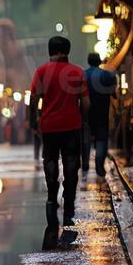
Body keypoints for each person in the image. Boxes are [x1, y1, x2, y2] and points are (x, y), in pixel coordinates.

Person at [28, 35, 90, 246]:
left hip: (50, 126)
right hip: (72, 126)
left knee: (51, 160)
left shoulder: (42, 72)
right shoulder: (77, 72)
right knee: (72, 163)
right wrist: (81, 119)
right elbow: (86, 103)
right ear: (68, 50)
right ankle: (69, 205)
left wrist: (33, 122)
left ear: (50, 50)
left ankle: (52, 196)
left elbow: (34, 99)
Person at [83, 52, 118, 178]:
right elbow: (114, 94)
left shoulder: (83, 75)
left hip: (86, 114)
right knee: (101, 140)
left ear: (88, 61)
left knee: (85, 139)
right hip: (102, 113)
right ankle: (99, 166)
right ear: (100, 61)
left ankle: (85, 163)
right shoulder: (106, 75)